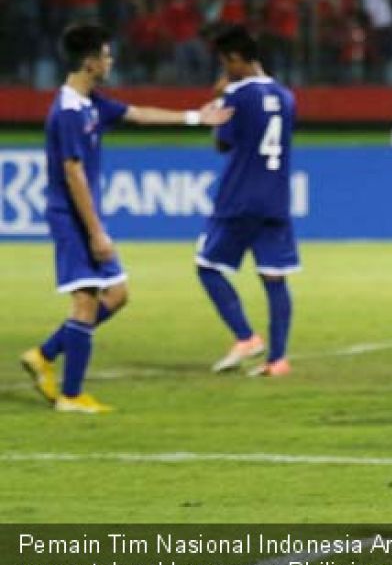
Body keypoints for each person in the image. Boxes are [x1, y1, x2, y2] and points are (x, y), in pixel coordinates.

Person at [19, 23, 231, 413]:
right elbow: (73, 172)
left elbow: (139, 114)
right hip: (72, 218)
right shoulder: (67, 111)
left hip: (86, 217)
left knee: (116, 296)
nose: (110, 60)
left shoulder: (91, 102)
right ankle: (71, 395)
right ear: (89, 62)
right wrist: (96, 232)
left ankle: (44, 355)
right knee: (85, 302)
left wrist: (195, 118)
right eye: (105, 54)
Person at [201, 25, 299, 377]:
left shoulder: (237, 95)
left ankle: (245, 337)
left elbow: (222, 144)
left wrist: (218, 100)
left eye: (225, 63)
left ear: (237, 58)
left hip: (239, 199)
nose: (224, 71)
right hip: (276, 199)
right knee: (275, 278)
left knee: (208, 266)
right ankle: (278, 359)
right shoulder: (286, 96)